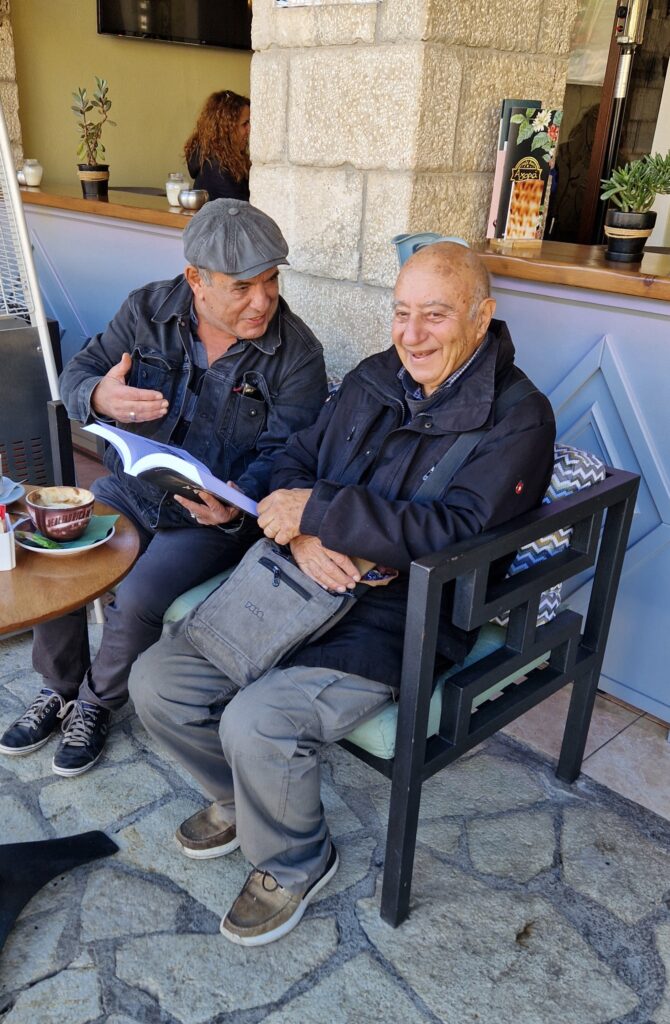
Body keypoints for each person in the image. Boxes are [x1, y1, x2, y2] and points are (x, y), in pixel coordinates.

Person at [129, 242, 556, 947]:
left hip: (399, 613)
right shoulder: (376, 376)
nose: (412, 334)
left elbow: (458, 528)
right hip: (296, 577)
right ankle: (243, 798)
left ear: (482, 317)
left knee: (257, 721)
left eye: (435, 316)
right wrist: (301, 532)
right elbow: (298, 458)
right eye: (402, 313)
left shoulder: (518, 417)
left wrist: (322, 513)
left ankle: (296, 859)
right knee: (158, 682)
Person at [0, 199, 327, 776]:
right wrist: (99, 396)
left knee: (142, 593)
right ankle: (57, 687)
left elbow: (289, 456)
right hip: (131, 488)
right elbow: (80, 371)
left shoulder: (296, 354)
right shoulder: (147, 309)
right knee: (59, 544)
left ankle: (98, 704)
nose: (263, 300)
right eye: (243, 286)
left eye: (271, 280)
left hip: (211, 517)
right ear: (195, 279)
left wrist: (235, 501)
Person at [184, 90, 250, 202]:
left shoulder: (228, 162)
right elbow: (245, 213)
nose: (250, 129)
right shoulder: (217, 170)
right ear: (226, 130)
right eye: (245, 124)